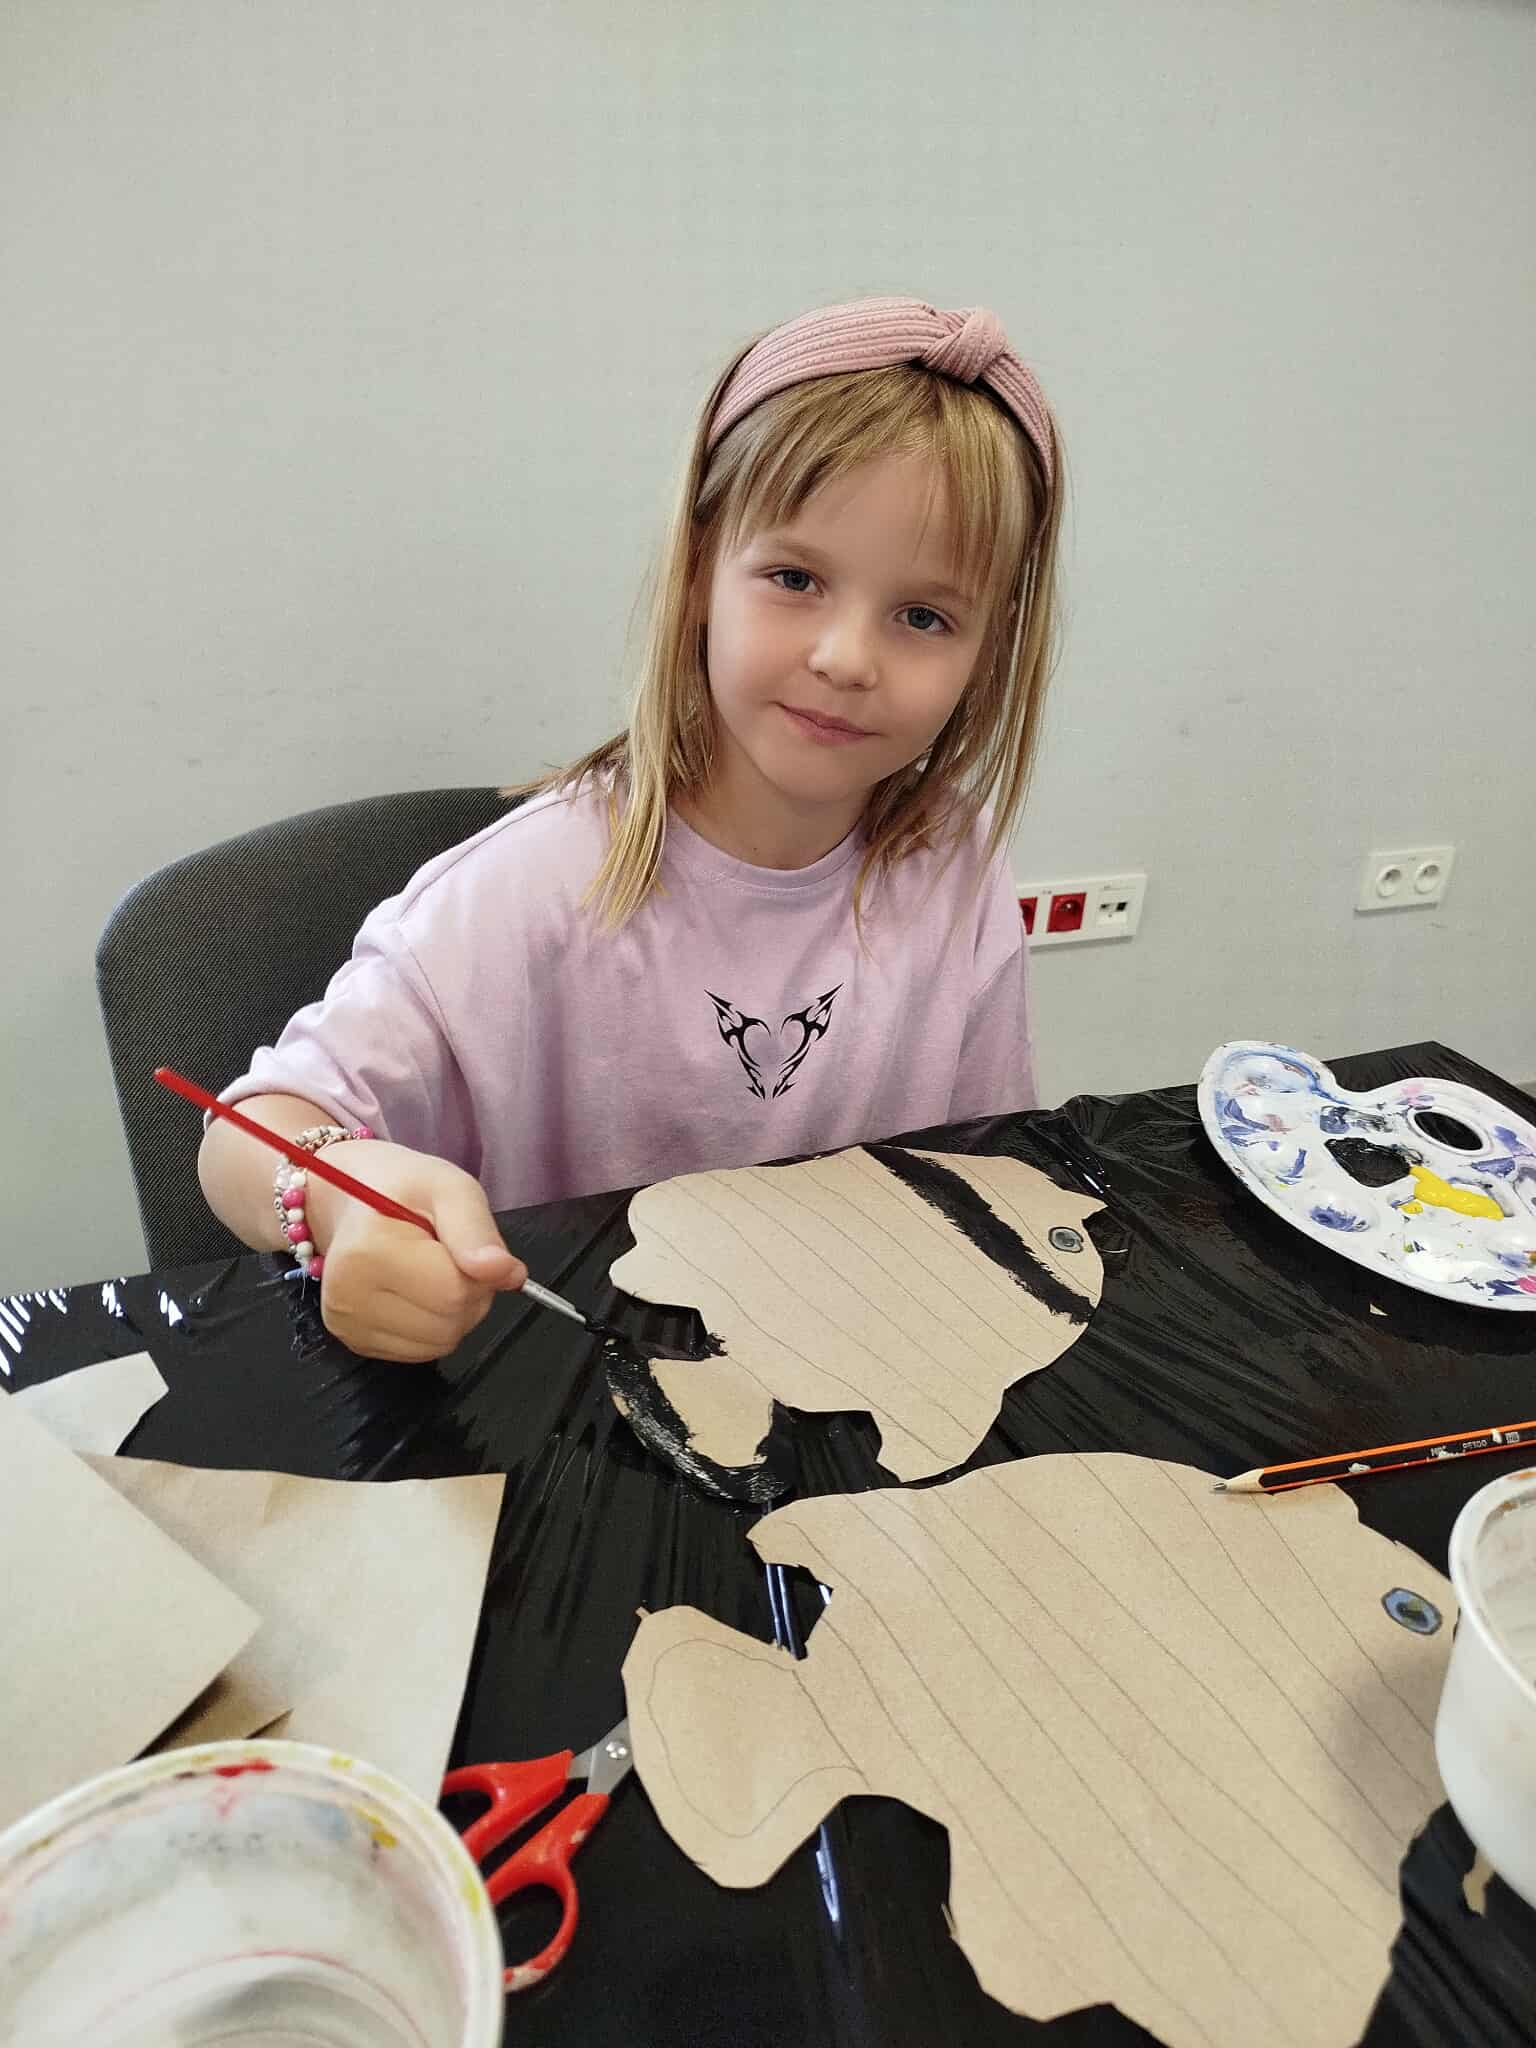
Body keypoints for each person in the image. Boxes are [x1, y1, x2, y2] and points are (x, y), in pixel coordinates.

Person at [198, 295, 1067, 1362]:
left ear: (990, 648)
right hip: (570, 1386)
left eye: (923, 616)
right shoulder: (525, 888)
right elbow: (248, 1130)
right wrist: (339, 1191)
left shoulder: (956, 867)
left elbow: (982, 1165)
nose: (847, 657)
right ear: (701, 570)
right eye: (795, 579)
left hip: (846, 1375)